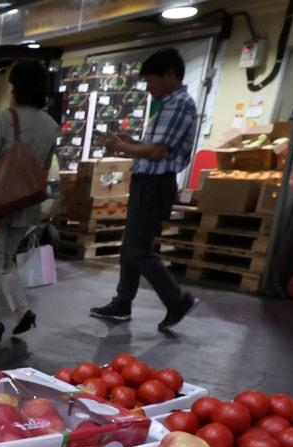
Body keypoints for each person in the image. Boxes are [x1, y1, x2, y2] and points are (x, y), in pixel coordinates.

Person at [91, 47, 200, 331]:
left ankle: (177, 300)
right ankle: (122, 303)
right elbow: (151, 147)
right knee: (130, 248)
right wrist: (131, 141)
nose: (149, 87)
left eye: (152, 80)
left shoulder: (178, 104)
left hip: (155, 184)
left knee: (139, 251)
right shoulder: (168, 104)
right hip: (147, 183)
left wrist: (121, 146)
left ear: (170, 75)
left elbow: (157, 152)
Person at [0, 60, 59, 341]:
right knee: (7, 261)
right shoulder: (50, 125)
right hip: (27, 205)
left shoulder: (5, 119)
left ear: (15, 87)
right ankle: (22, 311)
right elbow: (44, 169)